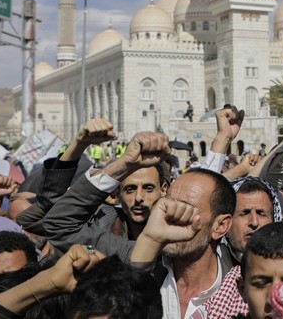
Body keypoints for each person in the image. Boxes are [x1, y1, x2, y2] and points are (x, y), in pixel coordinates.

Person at [41, 130, 172, 260]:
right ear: (117, 193)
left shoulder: (175, 237)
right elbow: (56, 222)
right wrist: (124, 164)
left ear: (164, 189)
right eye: (130, 189)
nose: (138, 197)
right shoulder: (105, 228)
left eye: (148, 188)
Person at [129, 166, 237, 319]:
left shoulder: (241, 292)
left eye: (185, 209)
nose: (171, 216)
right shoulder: (148, 271)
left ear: (220, 226)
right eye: (168, 205)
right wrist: (150, 238)